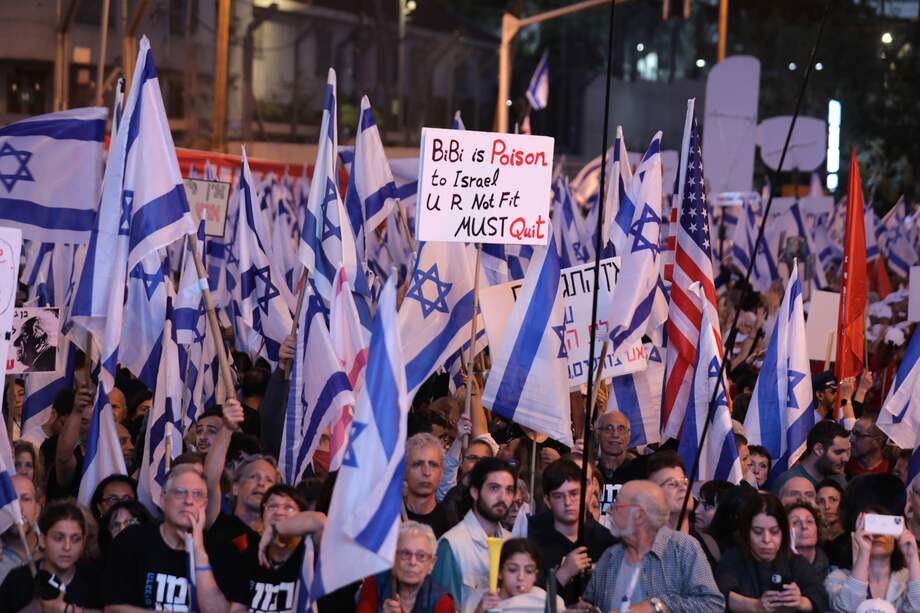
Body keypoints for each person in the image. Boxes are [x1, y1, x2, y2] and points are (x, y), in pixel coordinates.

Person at [102, 464, 249, 611]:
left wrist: (198, 553)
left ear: (205, 504)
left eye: (197, 494)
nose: (189, 501)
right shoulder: (131, 540)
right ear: (162, 500)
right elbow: (113, 608)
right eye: (180, 493)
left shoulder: (223, 550)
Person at [581, 480, 724, 613]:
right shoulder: (610, 556)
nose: (610, 511)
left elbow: (713, 604)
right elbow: (589, 604)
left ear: (638, 515)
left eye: (616, 506)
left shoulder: (682, 549)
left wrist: (657, 606)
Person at [715, 493, 828, 612]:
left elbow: (820, 596)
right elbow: (722, 594)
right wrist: (755, 606)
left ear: (784, 532)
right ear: (746, 532)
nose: (766, 539)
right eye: (758, 532)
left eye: (774, 531)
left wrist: (800, 602)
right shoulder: (734, 557)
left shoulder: (795, 562)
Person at [431, 457, 514, 611]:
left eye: (509, 490)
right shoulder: (452, 545)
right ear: (475, 492)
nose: (503, 497)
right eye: (494, 488)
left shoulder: (512, 543)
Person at [527, 459, 614, 604]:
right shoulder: (532, 542)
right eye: (559, 496)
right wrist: (563, 574)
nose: (568, 502)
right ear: (547, 501)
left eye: (574, 493)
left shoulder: (607, 541)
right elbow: (526, 601)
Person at [0, 501, 102, 613]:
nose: (67, 547)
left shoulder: (95, 579)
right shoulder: (18, 580)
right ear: (43, 540)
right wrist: (33, 609)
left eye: (76, 539)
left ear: (83, 543)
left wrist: (68, 610)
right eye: (59, 538)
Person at [251, 484, 326, 613]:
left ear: (302, 517)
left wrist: (275, 529)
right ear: (261, 517)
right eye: (272, 506)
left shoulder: (311, 551)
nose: (279, 512)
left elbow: (320, 522)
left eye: (289, 508)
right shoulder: (252, 554)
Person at [825, 509, 920, 611]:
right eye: (871, 525)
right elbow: (847, 608)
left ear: (895, 538)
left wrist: (912, 557)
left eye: (885, 526)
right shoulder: (838, 578)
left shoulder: (909, 578)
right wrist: (864, 552)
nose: (878, 534)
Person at [356, 521, 455, 613]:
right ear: (393, 557)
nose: (412, 562)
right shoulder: (374, 584)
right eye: (405, 554)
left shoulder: (443, 602)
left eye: (421, 556)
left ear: (431, 564)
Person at [473, 539, 565, 613]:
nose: (521, 577)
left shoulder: (549, 602)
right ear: (500, 572)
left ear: (535, 576)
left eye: (529, 571)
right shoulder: (478, 600)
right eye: (512, 570)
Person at [771, 420, 850, 495]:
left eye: (847, 452)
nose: (846, 458)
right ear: (818, 449)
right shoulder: (787, 482)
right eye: (838, 452)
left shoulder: (838, 480)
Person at [404, 433, 456, 538]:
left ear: (441, 473)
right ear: (404, 471)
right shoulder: (389, 518)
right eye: (418, 464)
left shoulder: (452, 525)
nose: (426, 472)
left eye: (433, 465)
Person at [595, 410, 642, 513]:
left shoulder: (642, 473)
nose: (615, 434)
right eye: (609, 428)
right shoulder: (588, 473)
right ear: (597, 435)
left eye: (621, 429)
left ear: (629, 436)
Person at [0, 475, 41, 584]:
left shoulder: (52, 549)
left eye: (26, 499)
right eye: (9, 500)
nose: (17, 508)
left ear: (37, 510)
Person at [647, 451, 693, 533]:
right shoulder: (643, 544)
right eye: (671, 484)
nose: (682, 487)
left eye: (685, 482)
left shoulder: (708, 543)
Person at [695, 480, 735, 568]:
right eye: (699, 502)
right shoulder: (691, 536)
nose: (697, 511)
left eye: (707, 506)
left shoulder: (736, 552)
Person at [786, 502, 830, 580]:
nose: (804, 526)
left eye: (809, 521)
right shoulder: (777, 568)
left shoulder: (832, 570)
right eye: (795, 522)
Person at [816, 479, 844, 543]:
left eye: (833, 500)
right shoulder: (811, 540)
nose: (827, 507)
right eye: (821, 501)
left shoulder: (853, 539)